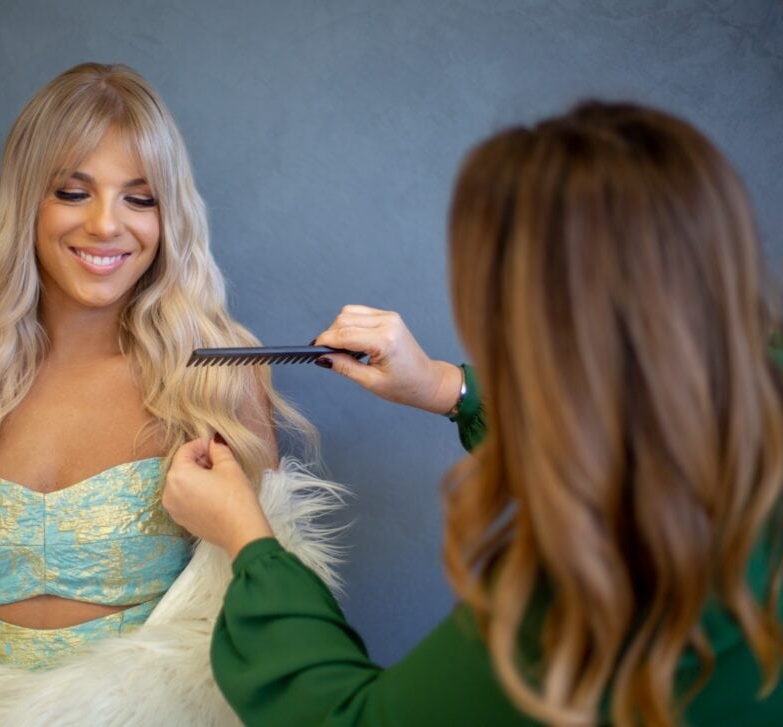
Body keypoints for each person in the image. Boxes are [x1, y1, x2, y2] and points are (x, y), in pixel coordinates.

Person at [163, 101, 783, 726]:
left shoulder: (608, 589)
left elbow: (354, 721)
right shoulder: (750, 402)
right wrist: (445, 386)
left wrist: (247, 536)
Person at [0, 63, 343, 725]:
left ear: (170, 217)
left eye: (140, 198)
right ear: (28, 202)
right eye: (74, 192)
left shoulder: (217, 385)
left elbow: (262, 606)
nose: (107, 224)